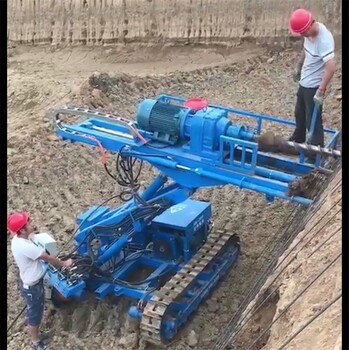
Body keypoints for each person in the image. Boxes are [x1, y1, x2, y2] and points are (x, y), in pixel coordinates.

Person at [7, 212, 73, 350]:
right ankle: (36, 342)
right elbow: (48, 258)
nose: (32, 223)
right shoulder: (26, 247)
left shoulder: (18, 239)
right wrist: (65, 263)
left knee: (37, 309)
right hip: (32, 286)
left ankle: (37, 335)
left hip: (32, 280)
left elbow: (19, 233)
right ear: (22, 230)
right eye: (28, 223)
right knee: (35, 314)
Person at [289, 8, 335, 148]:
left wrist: (321, 90)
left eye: (303, 32)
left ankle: (315, 149)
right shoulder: (309, 33)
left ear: (309, 26)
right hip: (305, 82)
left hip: (314, 86)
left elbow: (331, 67)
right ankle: (298, 138)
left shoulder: (324, 40)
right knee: (299, 113)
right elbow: (306, 49)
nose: (302, 35)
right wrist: (299, 65)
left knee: (313, 120)